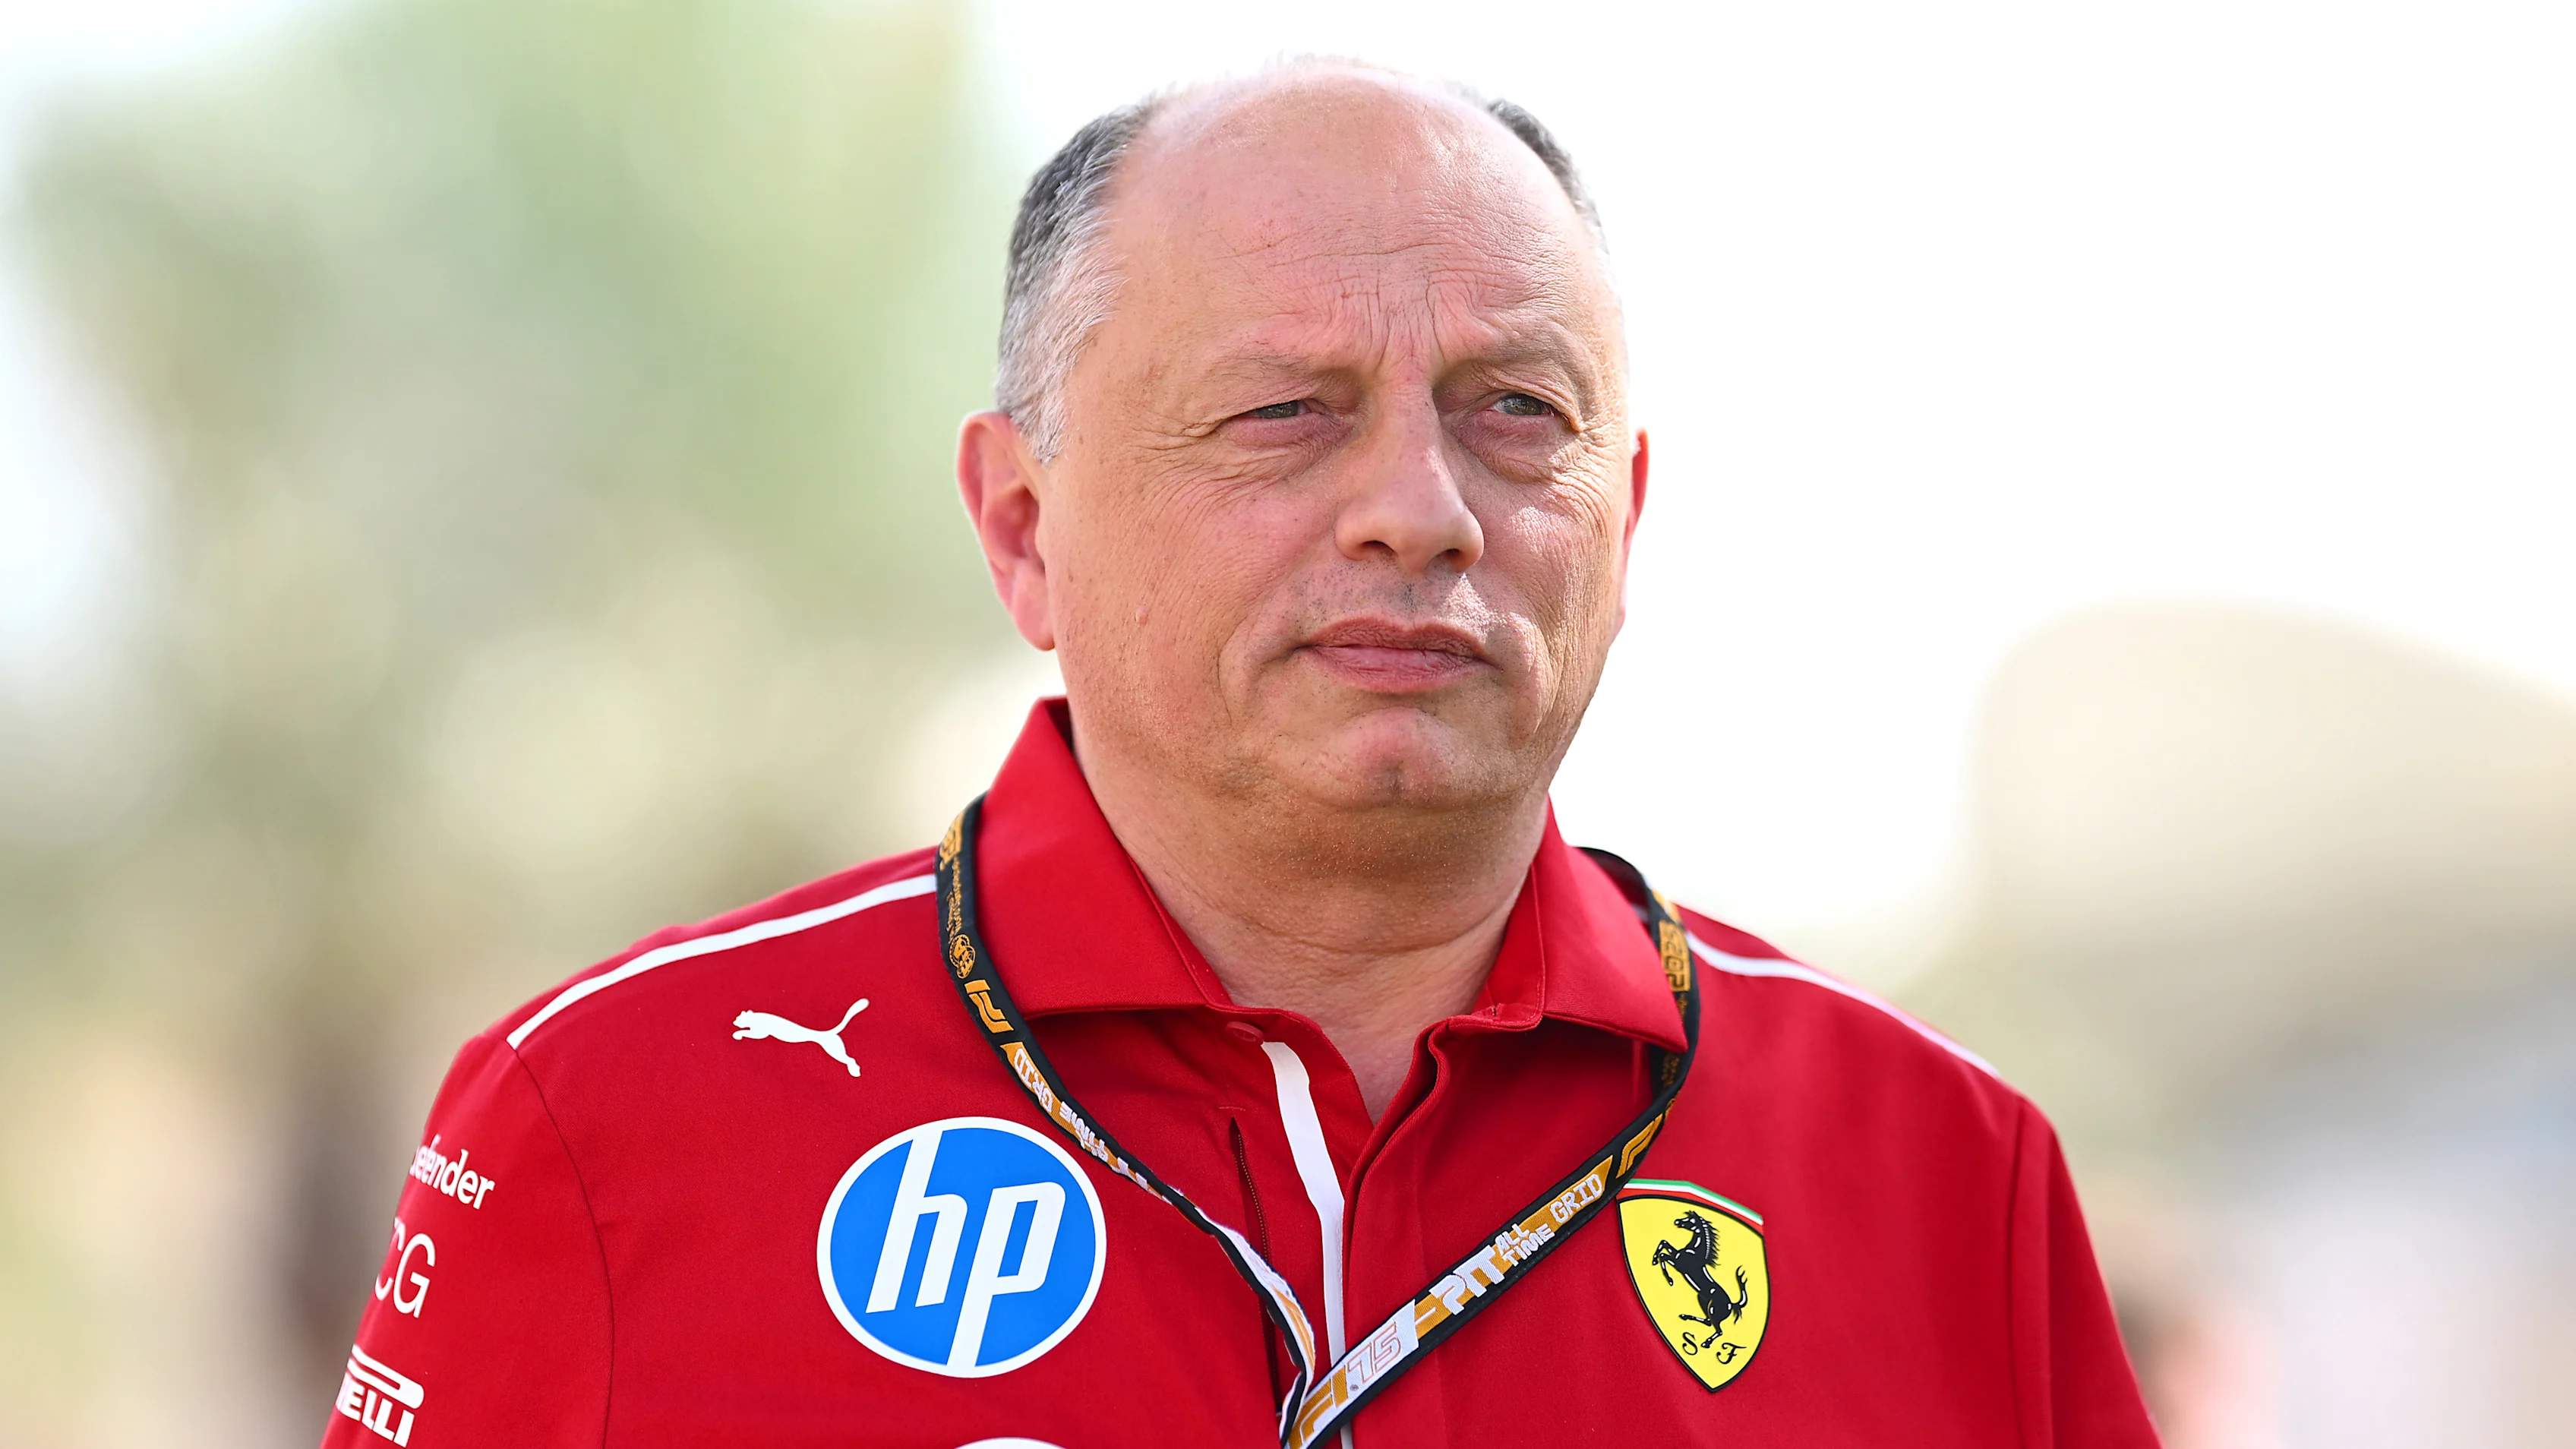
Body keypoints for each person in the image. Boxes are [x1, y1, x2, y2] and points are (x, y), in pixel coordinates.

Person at [322, 62, 2159, 1449]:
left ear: (1627, 517)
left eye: (1517, 413)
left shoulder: (1944, 1178)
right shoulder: (607, 1130)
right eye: (1284, 413)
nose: (1419, 509)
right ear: (1023, 527)